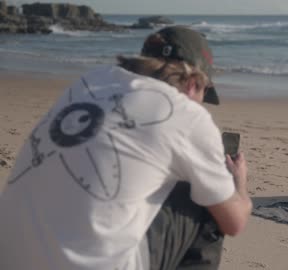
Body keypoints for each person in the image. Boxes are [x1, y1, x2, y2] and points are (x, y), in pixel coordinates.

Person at [0, 26, 252, 270]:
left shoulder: (92, 81)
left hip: (10, 257)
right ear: (193, 83)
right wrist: (237, 184)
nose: (202, 103)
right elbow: (234, 222)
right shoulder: (185, 113)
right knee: (207, 200)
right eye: (204, 92)